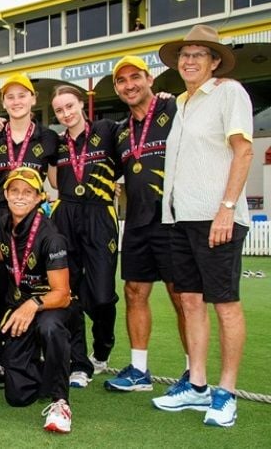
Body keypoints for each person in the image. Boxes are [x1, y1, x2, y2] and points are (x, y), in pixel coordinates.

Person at [152, 24, 253, 428]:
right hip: (180, 218)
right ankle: (196, 386)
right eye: (185, 54)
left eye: (199, 54)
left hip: (216, 218)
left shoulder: (229, 92)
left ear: (214, 62)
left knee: (225, 303)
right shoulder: (182, 103)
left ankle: (226, 393)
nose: (189, 60)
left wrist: (226, 208)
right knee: (190, 301)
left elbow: (244, 151)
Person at [104, 56, 188, 392]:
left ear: (149, 79)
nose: (129, 85)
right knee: (134, 292)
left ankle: (192, 373)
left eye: (135, 77)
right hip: (137, 221)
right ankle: (139, 371)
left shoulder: (174, 109)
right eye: (122, 81)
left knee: (181, 296)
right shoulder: (120, 131)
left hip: (173, 219)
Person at [0, 73, 59, 384]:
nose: (16, 102)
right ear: (3, 102)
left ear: (33, 99)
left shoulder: (48, 137)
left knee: (32, 287)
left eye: (22, 95)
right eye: (10, 97)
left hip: (32, 221)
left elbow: (56, 182)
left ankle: (33, 354)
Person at [0, 167, 73, 433]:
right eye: (14, 190)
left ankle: (61, 401)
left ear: (39, 197)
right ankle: (47, 369)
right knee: (18, 396)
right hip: (22, 306)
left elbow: (63, 294)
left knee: (49, 328)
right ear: (5, 194)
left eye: (28, 192)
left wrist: (32, 305)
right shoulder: (2, 224)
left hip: (51, 305)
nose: (20, 196)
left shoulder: (51, 237)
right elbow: (1, 253)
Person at [49, 85, 120, 388]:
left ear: (81, 104)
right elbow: (51, 177)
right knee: (69, 292)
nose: (66, 113)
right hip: (65, 214)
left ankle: (102, 348)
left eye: (70, 106)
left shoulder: (107, 130)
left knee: (102, 295)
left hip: (99, 213)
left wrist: (163, 101)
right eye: (59, 110)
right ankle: (79, 364)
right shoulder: (55, 142)